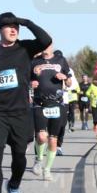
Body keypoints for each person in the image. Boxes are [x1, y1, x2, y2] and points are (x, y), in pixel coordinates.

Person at [0, 12, 51, 193]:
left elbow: (45, 40)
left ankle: (13, 186)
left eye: (15, 27)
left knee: (19, 157)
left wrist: (26, 22)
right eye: (8, 26)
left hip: (20, 113)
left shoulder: (25, 48)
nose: (13, 30)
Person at [30, 45, 72, 181]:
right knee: (42, 137)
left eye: (47, 44)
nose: (44, 47)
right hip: (39, 103)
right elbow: (25, 79)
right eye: (42, 44)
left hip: (57, 104)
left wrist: (65, 77)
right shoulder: (34, 61)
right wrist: (31, 83)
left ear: (52, 46)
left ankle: (47, 170)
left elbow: (70, 82)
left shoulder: (61, 60)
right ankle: (38, 160)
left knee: (53, 140)